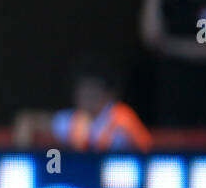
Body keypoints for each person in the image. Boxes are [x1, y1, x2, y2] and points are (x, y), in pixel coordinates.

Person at [14, 59, 151, 153]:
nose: (86, 96)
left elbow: (147, 152)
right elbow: (27, 120)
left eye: (93, 90)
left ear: (108, 93)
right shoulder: (76, 119)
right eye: (82, 90)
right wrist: (22, 155)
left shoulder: (123, 118)